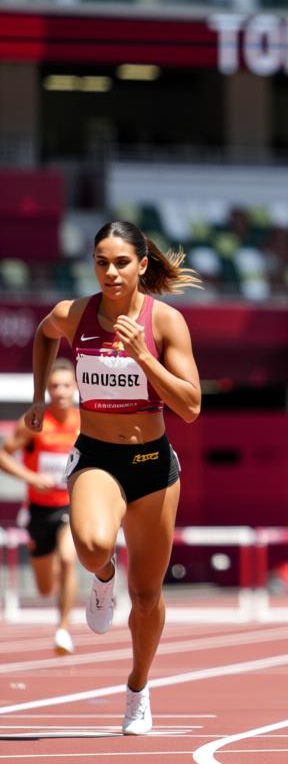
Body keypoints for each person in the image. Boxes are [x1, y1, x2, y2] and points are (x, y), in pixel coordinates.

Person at [24, 220, 201, 735]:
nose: (111, 272)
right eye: (101, 262)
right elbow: (43, 334)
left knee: (147, 597)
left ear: (142, 265)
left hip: (153, 466)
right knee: (93, 546)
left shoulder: (165, 322)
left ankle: (138, 689)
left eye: (121, 262)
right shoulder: (74, 315)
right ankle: (103, 581)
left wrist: (144, 355)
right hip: (98, 455)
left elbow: (190, 407)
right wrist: (39, 395)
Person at [0, 359, 81, 655]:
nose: (60, 391)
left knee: (70, 558)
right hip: (38, 509)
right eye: (54, 386)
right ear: (47, 389)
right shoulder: (35, 420)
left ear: (75, 388)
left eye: (66, 385)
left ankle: (63, 629)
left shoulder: (84, 422)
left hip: (70, 506)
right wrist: (32, 477)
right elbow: (3, 455)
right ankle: (57, 580)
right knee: (45, 587)